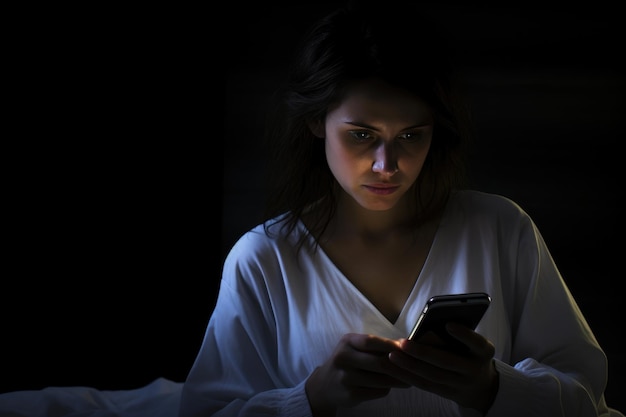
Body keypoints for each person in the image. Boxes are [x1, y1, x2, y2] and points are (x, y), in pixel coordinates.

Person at [179, 3, 624, 417]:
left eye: (411, 136)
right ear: (317, 121)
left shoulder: (501, 230)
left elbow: (588, 399)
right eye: (361, 135)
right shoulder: (265, 259)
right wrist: (310, 399)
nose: (386, 166)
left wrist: (492, 387)